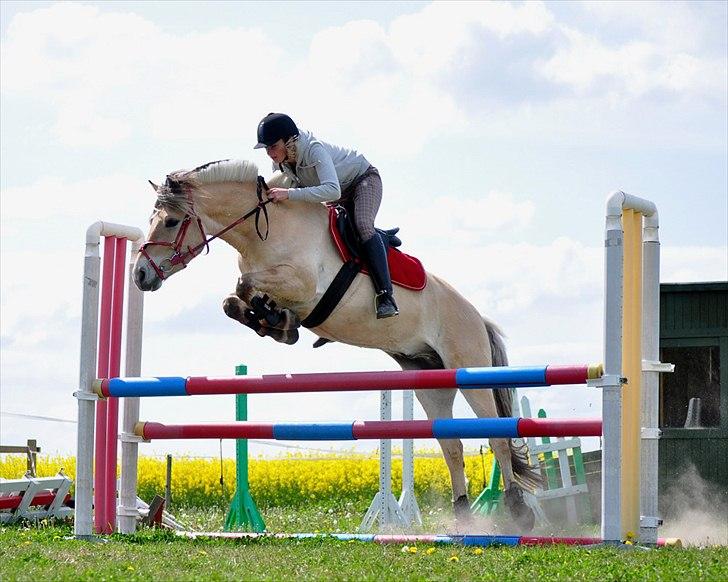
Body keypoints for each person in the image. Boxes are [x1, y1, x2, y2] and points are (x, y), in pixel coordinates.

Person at [254, 112, 399, 319]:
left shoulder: (314, 150)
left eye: (273, 146)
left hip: (362, 181)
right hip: (336, 193)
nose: (269, 152)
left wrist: (289, 194)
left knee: (363, 225)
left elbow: (332, 191)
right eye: (266, 148)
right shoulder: (280, 163)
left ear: (288, 140)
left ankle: (386, 296)